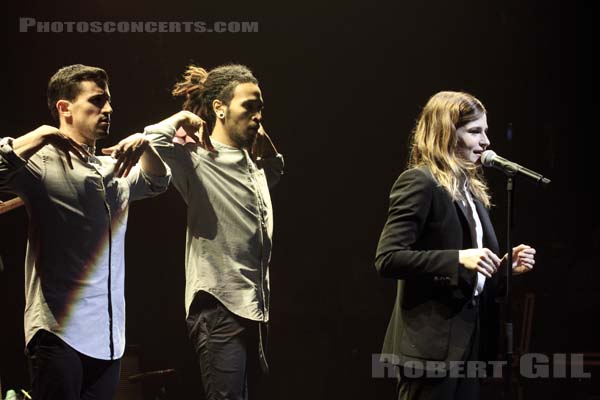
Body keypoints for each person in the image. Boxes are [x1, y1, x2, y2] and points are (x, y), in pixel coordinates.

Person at [0, 64, 171, 400]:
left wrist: (145, 144)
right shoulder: (41, 163)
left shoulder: (114, 168)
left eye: (108, 102)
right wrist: (44, 134)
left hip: (108, 340)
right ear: (65, 108)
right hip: (58, 333)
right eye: (97, 101)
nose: (108, 109)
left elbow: (157, 181)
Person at [374, 91, 536, 400]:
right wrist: (458, 258)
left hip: (470, 345)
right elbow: (388, 258)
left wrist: (503, 270)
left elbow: (474, 279)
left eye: (485, 131)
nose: (486, 141)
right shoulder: (419, 182)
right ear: (447, 134)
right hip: (430, 350)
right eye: (475, 131)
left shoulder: (472, 193)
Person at [144, 64, 283, 400]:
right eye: (248, 107)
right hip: (218, 305)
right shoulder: (195, 155)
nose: (257, 116)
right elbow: (151, 138)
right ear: (219, 109)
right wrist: (182, 119)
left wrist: (268, 146)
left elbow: (276, 170)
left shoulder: (254, 160)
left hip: (255, 307)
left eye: (260, 107)